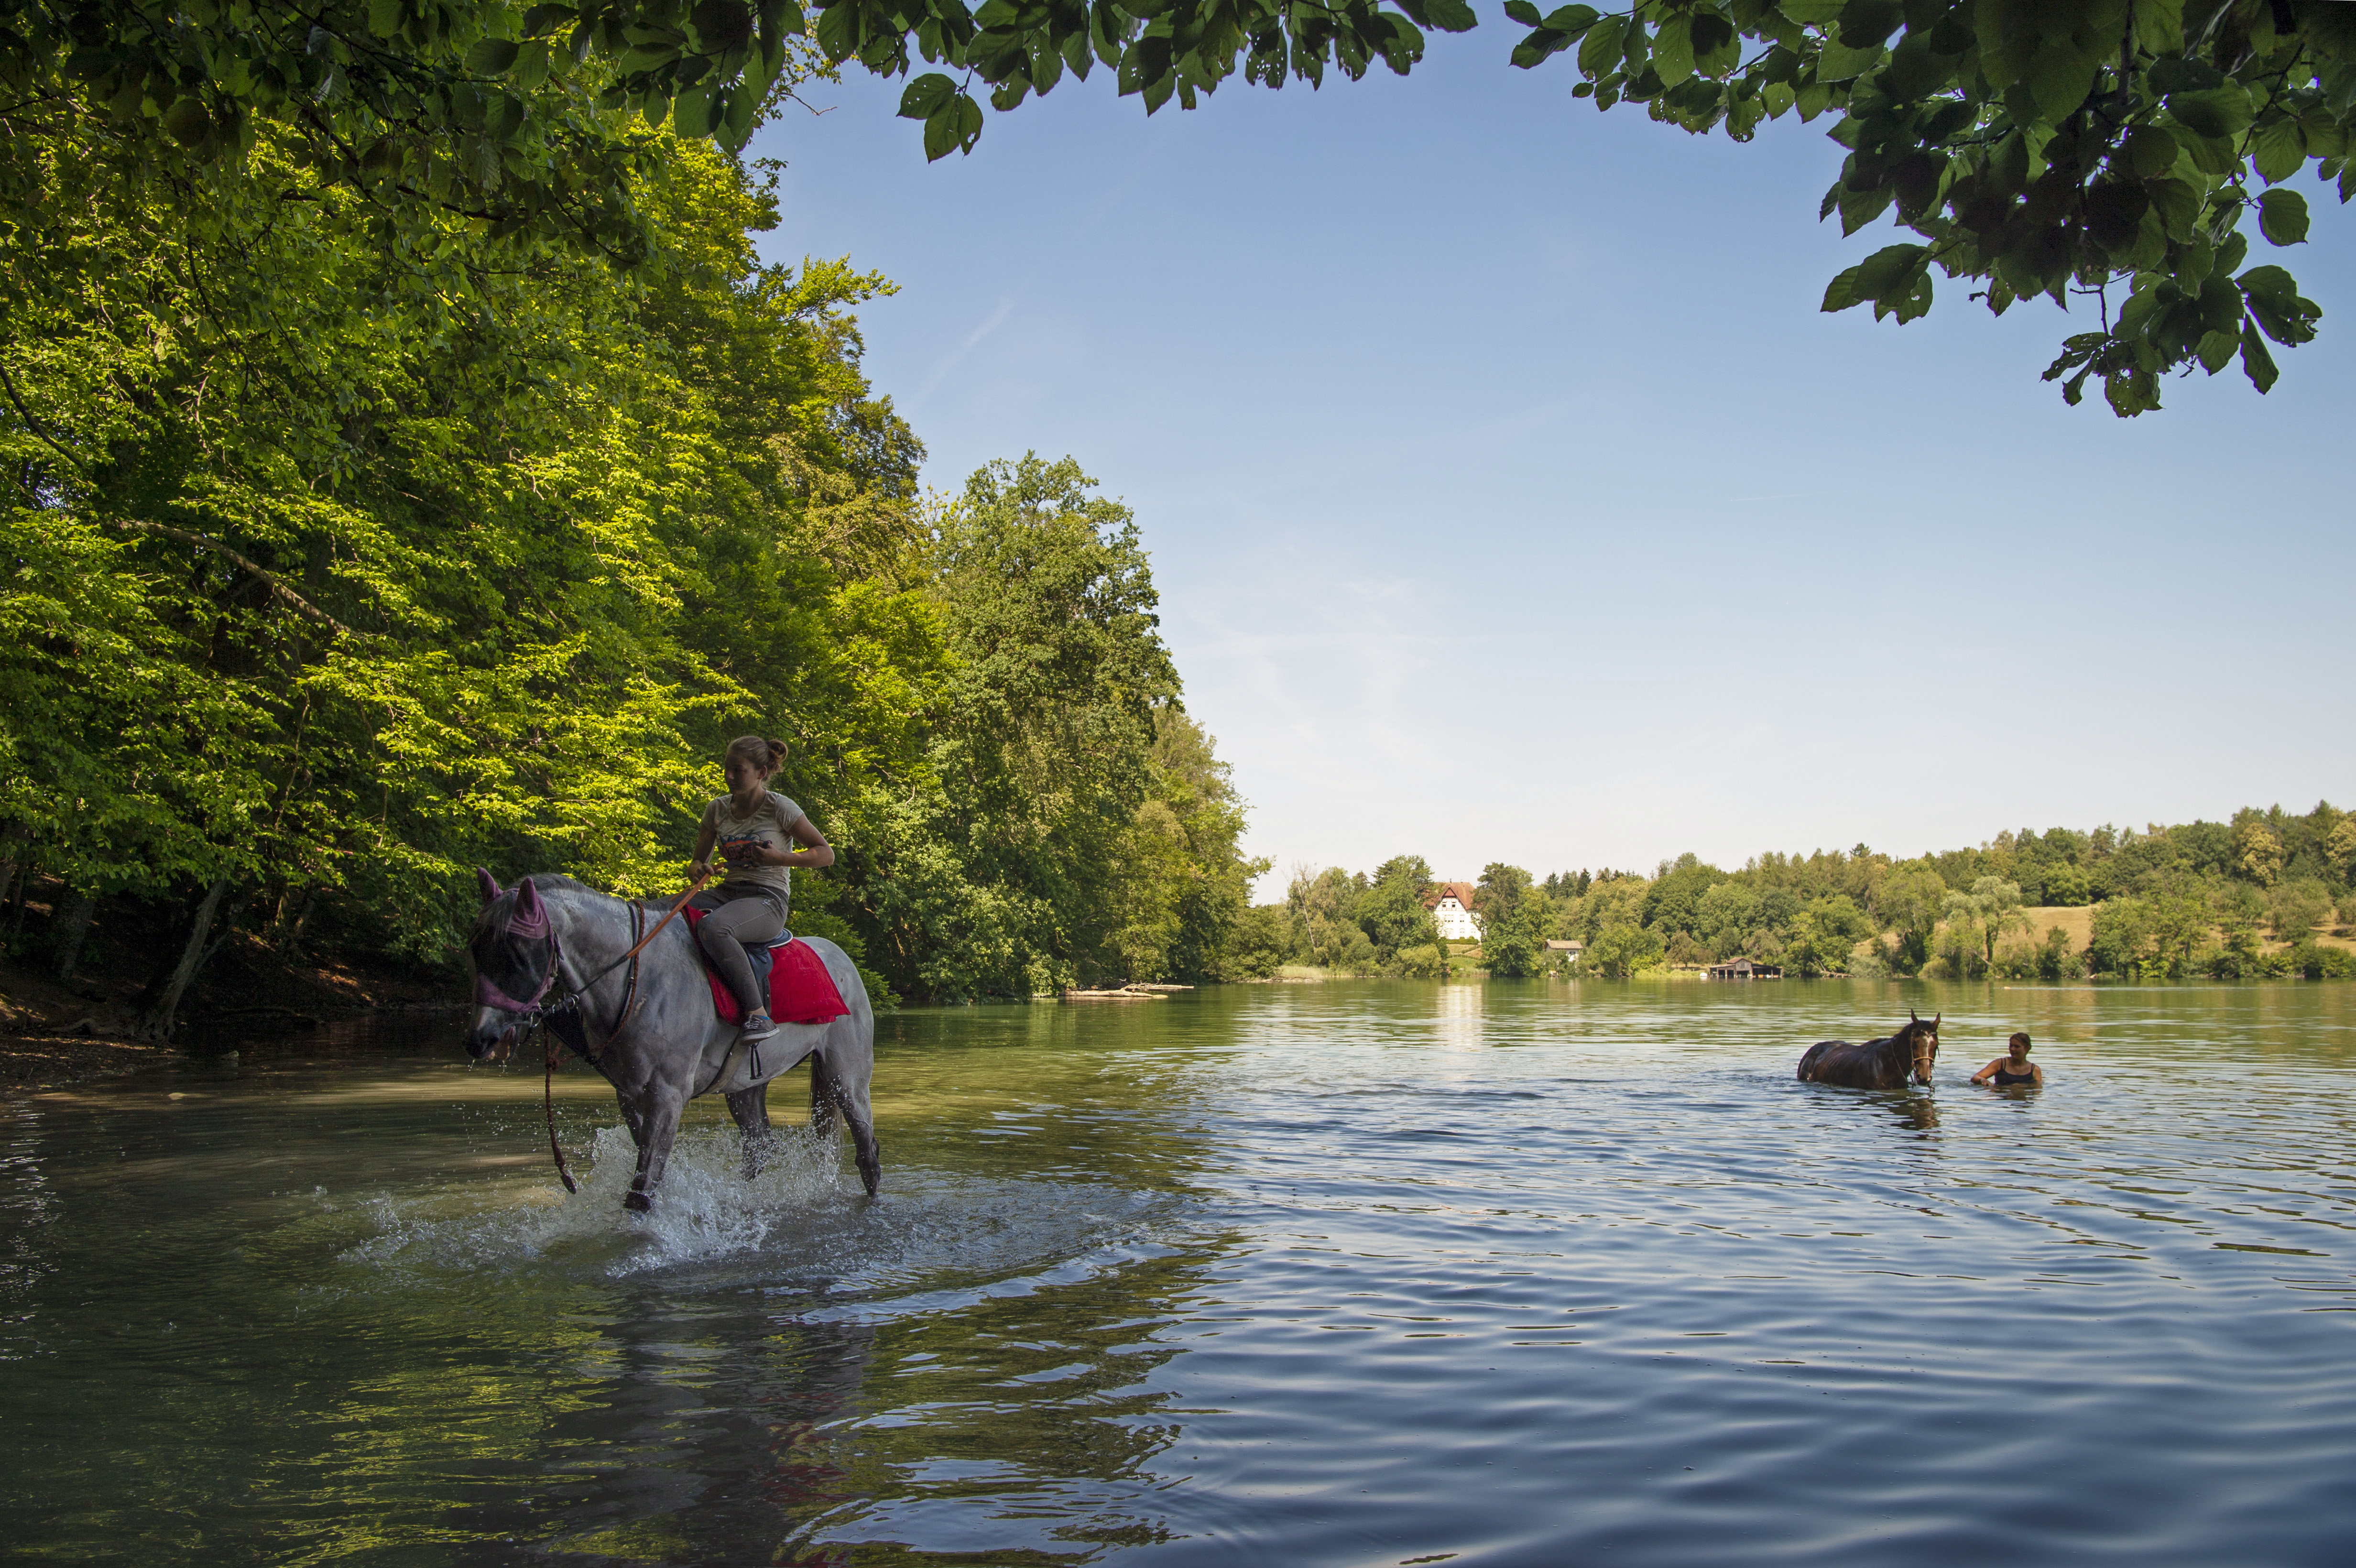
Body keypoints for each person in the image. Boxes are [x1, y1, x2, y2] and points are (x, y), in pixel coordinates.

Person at [685, 734, 833, 1040]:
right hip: (726, 893)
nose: (729, 776)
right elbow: (696, 862)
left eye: (738, 770)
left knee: (715, 929)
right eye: (727, 768)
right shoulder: (716, 810)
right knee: (659, 913)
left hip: (767, 900)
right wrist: (701, 869)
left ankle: (758, 1016)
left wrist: (779, 858)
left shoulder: (780, 807)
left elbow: (825, 854)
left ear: (761, 773)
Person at [1971, 1032, 2043, 1088]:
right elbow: (1976, 1077)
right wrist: (1982, 1080)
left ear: (2027, 1048)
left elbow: (2037, 1091)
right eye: (2011, 1046)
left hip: (2024, 1100)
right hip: (2003, 1100)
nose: (2012, 1049)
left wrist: (2021, 1087)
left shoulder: (2035, 1070)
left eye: (2017, 1047)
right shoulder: (2000, 1064)